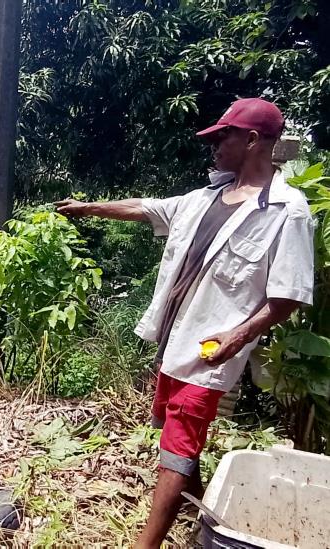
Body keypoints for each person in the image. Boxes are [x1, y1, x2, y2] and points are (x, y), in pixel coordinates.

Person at [54, 98, 315, 548]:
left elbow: (287, 296)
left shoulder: (287, 211)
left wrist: (237, 337)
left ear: (253, 141)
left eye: (223, 137)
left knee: (178, 445)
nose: (214, 146)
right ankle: (211, 521)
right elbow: (147, 208)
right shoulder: (205, 198)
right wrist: (88, 208)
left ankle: (146, 544)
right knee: (175, 441)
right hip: (174, 341)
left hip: (212, 353)